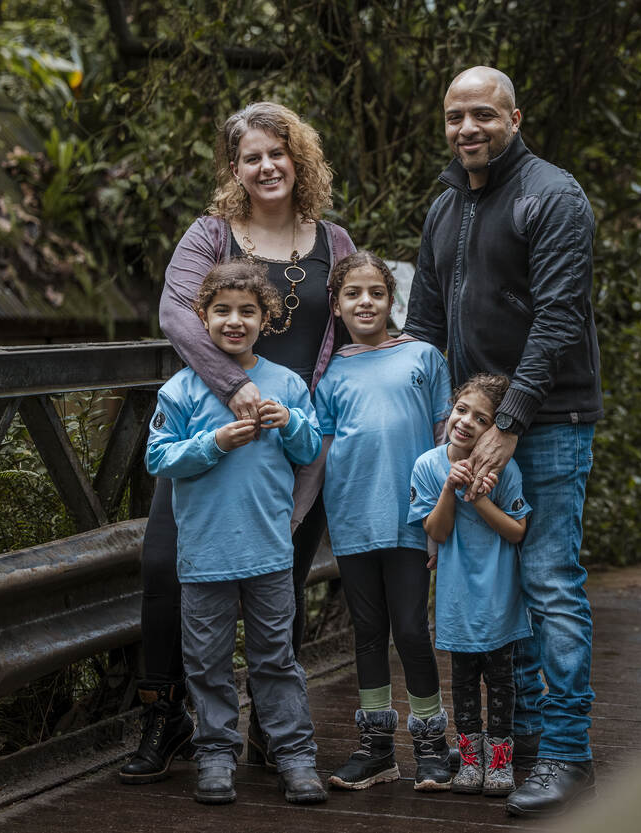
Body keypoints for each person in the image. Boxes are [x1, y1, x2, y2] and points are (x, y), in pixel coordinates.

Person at [119, 101, 356, 785]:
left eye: (277, 153)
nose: (266, 166)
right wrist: (233, 386)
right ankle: (166, 716)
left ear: (298, 159)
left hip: (294, 436)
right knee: (166, 567)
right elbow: (175, 311)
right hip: (212, 431)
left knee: (283, 578)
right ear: (235, 168)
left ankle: (271, 732)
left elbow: (352, 331)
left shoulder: (335, 243)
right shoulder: (211, 234)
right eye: (252, 157)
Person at [404, 65, 603, 817]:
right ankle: (521, 747)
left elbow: (558, 318)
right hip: (473, 427)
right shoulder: (446, 205)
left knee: (548, 582)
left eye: (483, 114)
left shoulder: (551, 196)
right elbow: (425, 326)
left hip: (546, 423)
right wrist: (437, 425)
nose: (468, 129)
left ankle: (566, 754)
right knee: (500, 585)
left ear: (514, 118)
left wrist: (509, 423)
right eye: (455, 116)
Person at [145, 263, 325, 805]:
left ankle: (295, 756)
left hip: (269, 551)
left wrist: (290, 421)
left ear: (265, 320)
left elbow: (310, 450)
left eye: (247, 311)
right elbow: (158, 457)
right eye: (221, 310)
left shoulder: (286, 384)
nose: (234, 321)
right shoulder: (180, 390)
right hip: (204, 555)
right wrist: (214, 443)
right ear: (202, 318)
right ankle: (216, 755)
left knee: (276, 660)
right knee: (207, 664)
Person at [312, 250, 455, 792]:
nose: (365, 302)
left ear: (392, 300)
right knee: (368, 633)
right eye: (353, 294)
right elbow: (323, 452)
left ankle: (431, 744)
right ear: (336, 306)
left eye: (375, 292)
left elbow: (445, 441)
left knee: (412, 630)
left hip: (412, 520)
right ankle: (376, 749)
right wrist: (301, 514)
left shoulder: (423, 357)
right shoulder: (331, 373)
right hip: (353, 521)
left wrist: (442, 520)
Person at [408, 373, 531, 798]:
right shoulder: (428, 466)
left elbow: (517, 531)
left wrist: (478, 498)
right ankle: (470, 759)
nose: (466, 422)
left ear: (494, 429)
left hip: (499, 595)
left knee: (501, 681)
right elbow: (436, 532)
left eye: (482, 419)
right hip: (456, 598)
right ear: (451, 409)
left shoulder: (505, 469)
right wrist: (451, 486)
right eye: (462, 410)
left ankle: (499, 761)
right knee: (462, 682)